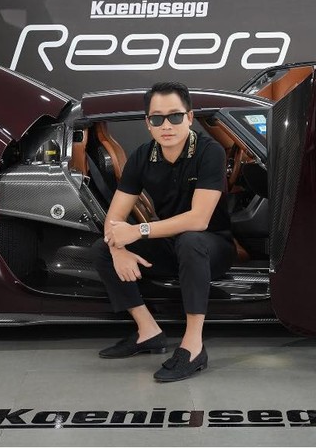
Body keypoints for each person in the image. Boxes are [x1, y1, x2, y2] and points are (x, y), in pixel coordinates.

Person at [92, 81, 235, 382]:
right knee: (102, 249)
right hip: (171, 243)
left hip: (213, 246)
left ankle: (193, 346)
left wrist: (138, 231)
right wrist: (118, 249)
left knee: (191, 240)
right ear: (148, 123)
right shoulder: (142, 156)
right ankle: (148, 331)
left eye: (175, 116)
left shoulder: (210, 152)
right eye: (157, 118)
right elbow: (114, 219)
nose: (166, 125)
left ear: (190, 117)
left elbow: (199, 220)